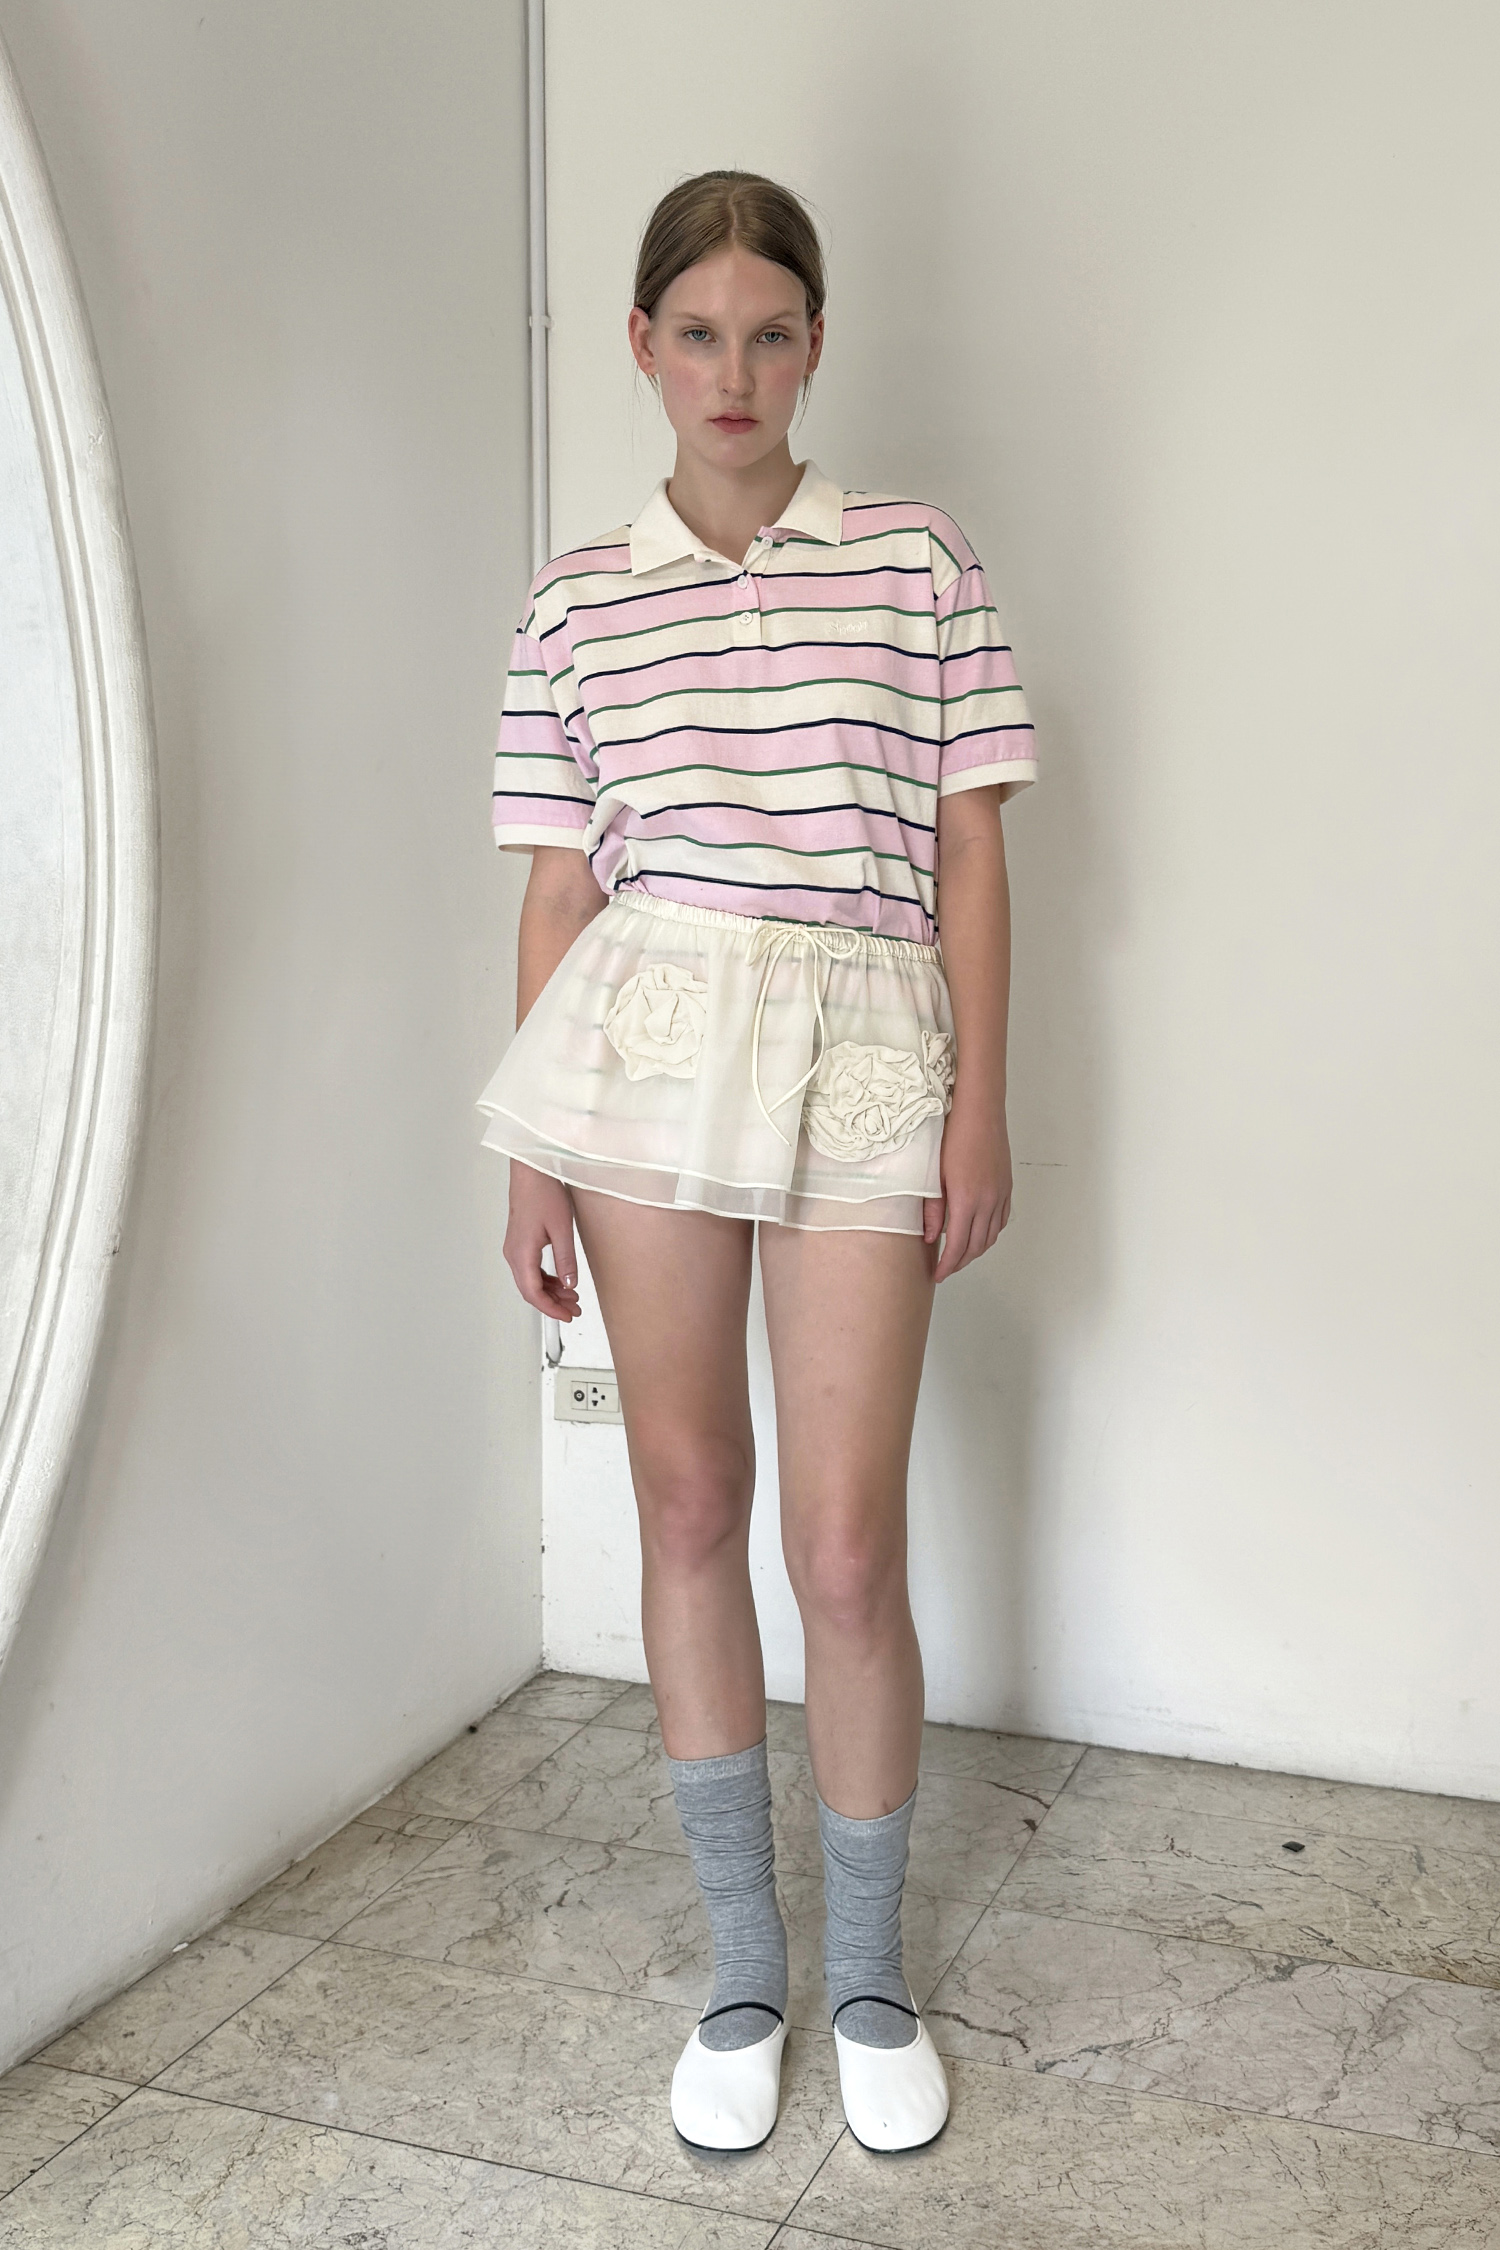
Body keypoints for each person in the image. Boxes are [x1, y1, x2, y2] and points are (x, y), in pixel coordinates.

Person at [477, 170, 1035, 2154]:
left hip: (867, 1052)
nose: (735, 373)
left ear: (815, 344)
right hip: (643, 1055)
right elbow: (563, 888)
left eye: (771, 333)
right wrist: (535, 1153)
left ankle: (870, 1977)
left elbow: (969, 848)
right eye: (699, 334)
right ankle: (744, 1971)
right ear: (643, 346)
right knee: (688, 1496)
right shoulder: (575, 599)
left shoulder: (916, 560)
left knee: (846, 1539)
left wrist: (977, 1102)